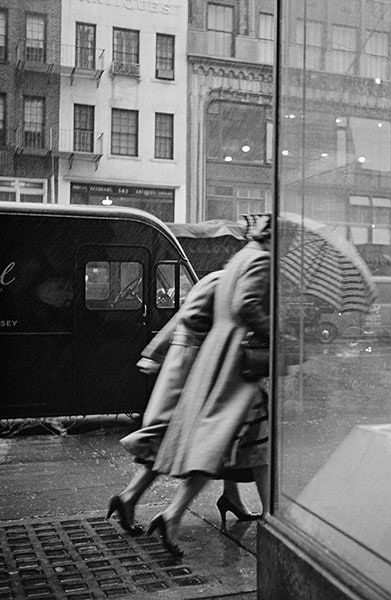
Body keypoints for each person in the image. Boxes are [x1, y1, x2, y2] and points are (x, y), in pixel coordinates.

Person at [148, 215, 272, 555]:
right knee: (226, 441)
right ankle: (273, 517)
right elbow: (246, 306)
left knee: (238, 440)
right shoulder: (261, 260)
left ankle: (177, 512)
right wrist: (276, 328)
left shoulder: (240, 258)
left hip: (220, 356)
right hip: (235, 362)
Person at [107, 270, 258, 535]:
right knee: (197, 441)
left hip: (182, 359)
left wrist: (155, 352)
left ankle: (131, 497)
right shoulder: (232, 284)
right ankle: (138, 500)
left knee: (174, 439)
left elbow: (182, 317)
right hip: (195, 365)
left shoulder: (216, 278)